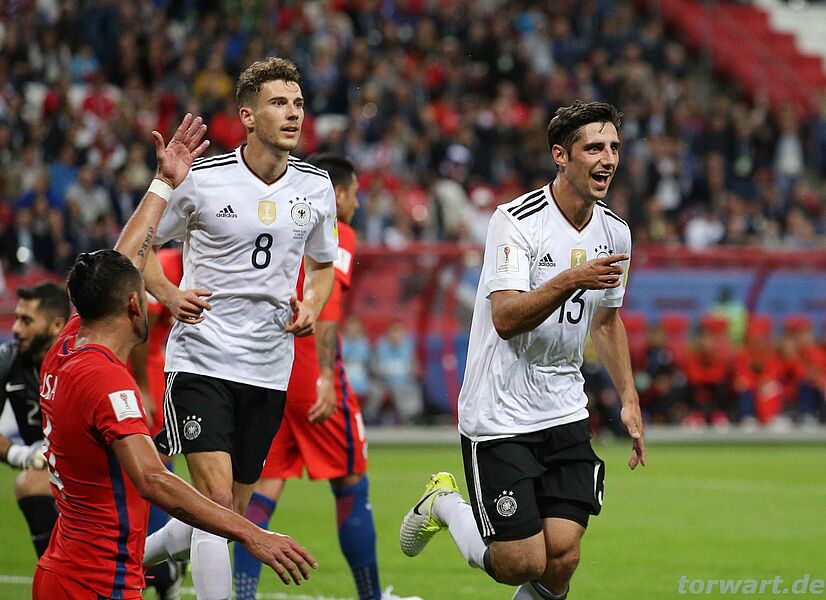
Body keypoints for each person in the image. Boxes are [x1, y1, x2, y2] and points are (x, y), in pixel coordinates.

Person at [34, 113, 317, 600]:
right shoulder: (105, 382)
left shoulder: (66, 346)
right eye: (145, 296)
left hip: (62, 569)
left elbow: (123, 262)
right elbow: (153, 480)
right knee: (215, 499)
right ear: (133, 306)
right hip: (97, 584)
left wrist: (164, 182)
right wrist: (252, 533)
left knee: (216, 504)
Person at [399, 101, 647, 600]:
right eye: (593, 148)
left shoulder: (615, 231)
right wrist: (571, 278)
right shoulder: (514, 221)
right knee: (521, 562)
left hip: (563, 404)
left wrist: (629, 397)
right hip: (501, 408)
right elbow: (507, 318)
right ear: (561, 155)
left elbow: (605, 319)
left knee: (563, 556)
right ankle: (443, 503)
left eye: (614, 148)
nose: (607, 159)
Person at [140, 57, 338, 599]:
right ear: (248, 117)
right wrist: (169, 294)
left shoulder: (316, 187)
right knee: (215, 503)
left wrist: (312, 304)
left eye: (298, 103)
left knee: (228, 515)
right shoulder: (203, 180)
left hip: (269, 366)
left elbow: (322, 266)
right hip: (201, 357)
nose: (293, 113)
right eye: (279, 103)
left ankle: (127, 560)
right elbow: (142, 243)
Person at [232, 154, 419, 600]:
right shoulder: (335, 227)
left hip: (267, 371)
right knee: (351, 478)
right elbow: (327, 304)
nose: (356, 204)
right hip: (309, 369)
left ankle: (241, 594)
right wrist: (326, 379)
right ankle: (371, 597)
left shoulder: (279, 219)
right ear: (336, 193)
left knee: (263, 485)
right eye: (353, 194)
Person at [128, 246, 185, 599]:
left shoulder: (204, 263)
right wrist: (143, 388)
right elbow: (140, 329)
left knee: (159, 461)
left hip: (160, 368)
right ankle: (162, 563)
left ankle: (159, 562)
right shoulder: (163, 266)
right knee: (153, 465)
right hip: (139, 369)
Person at [0, 281, 69, 557]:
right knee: (30, 483)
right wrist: (20, 455)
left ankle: (165, 568)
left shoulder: (80, 362)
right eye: (17, 318)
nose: (16, 329)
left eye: (26, 321)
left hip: (93, 470)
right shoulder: (8, 360)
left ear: (56, 325)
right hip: (52, 471)